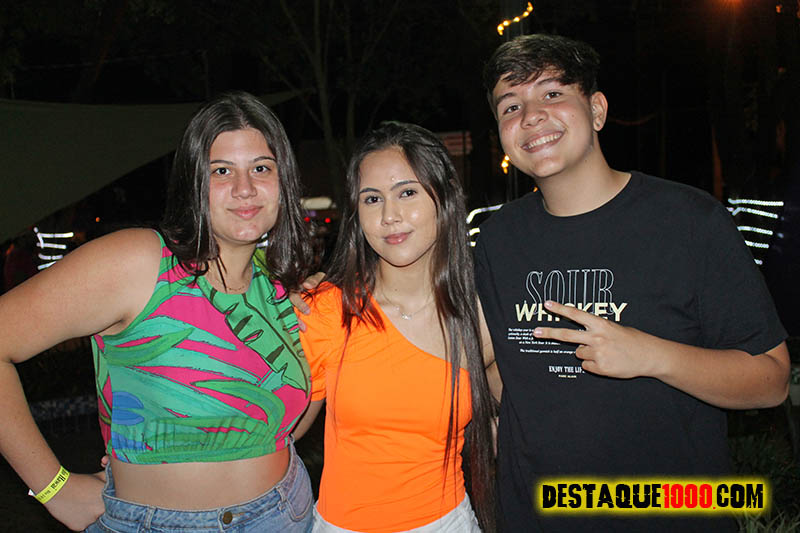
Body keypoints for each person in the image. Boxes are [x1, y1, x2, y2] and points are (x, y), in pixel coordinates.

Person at [476, 34, 790, 532]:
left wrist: (650, 355)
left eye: (552, 93)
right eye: (510, 106)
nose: (531, 116)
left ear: (597, 110)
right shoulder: (497, 241)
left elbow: (771, 381)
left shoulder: (690, 221)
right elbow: (501, 369)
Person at [0, 91, 315, 532]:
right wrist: (54, 487)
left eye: (261, 168)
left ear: (284, 181)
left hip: (284, 513)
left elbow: (286, 423)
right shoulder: (140, 262)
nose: (244, 188)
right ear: (192, 182)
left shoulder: (282, 290)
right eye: (221, 171)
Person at [293, 122, 498, 532]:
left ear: (444, 198)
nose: (390, 216)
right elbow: (281, 433)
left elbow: (517, 426)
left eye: (407, 193)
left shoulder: (480, 314)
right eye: (372, 199)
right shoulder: (330, 309)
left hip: (448, 523)